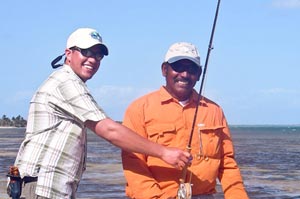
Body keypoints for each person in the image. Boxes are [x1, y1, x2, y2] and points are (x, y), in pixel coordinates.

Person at [11, 28, 191, 199]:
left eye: (98, 55)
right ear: (68, 54)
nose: (93, 59)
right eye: (86, 52)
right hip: (42, 187)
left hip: (48, 188)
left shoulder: (70, 82)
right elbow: (109, 130)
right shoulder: (65, 82)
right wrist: (163, 152)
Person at [121, 42, 249, 199]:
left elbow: (227, 163)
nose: (185, 74)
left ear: (199, 73)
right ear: (164, 69)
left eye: (191, 69)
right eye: (178, 67)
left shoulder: (215, 110)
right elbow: (133, 161)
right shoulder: (139, 108)